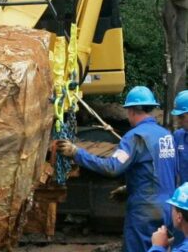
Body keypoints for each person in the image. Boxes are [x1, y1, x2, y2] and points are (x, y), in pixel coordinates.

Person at [58, 85, 177, 252]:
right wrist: (130, 187)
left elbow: (112, 167)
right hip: (168, 208)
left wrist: (77, 153)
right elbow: (164, 171)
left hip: (144, 210)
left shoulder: (135, 137)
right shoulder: (166, 135)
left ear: (131, 111)